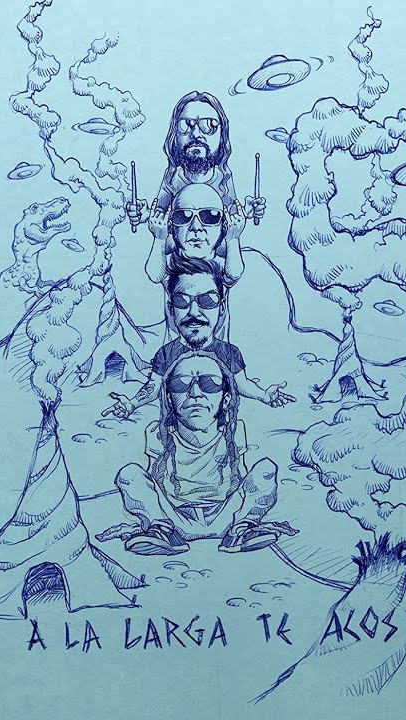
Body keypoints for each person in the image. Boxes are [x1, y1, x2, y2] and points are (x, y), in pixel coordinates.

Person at [95, 352, 297, 555]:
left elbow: (241, 475)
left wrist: (245, 509)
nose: (195, 393)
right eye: (180, 384)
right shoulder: (157, 432)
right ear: (169, 399)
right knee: (129, 473)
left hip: (228, 517)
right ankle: (161, 531)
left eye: (210, 384)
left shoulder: (235, 430)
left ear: (225, 398)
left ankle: (242, 530)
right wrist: (151, 513)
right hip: (174, 519)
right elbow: (153, 478)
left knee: (266, 469)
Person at [105, 258, 296, 415]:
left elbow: (241, 384)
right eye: (182, 300)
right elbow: (153, 387)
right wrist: (131, 404)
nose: (194, 312)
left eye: (208, 300)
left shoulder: (229, 353)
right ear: (171, 308)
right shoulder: (166, 354)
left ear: (222, 307)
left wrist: (265, 396)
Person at [126, 91, 266, 280]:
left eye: (209, 125)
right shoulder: (173, 178)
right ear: (174, 134)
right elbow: (160, 223)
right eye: (186, 125)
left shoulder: (223, 178)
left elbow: (230, 226)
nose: (196, 134)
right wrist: (145, 216)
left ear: (222, 135)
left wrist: (246, 212)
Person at [144, 182, 247, 288]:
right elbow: (155, 276)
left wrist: (233, 238)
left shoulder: (224, 264)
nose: (196, 227)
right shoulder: (168, 263)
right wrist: (159, 239)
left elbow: (234, 274)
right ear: (170, 226)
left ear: (224, 227)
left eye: (210, 216)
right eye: (183, 216)